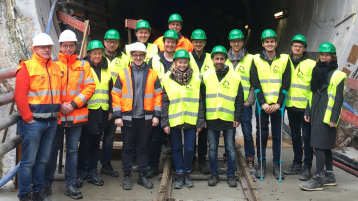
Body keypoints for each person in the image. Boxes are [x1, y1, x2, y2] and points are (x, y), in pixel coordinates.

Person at [44, 30, 95, 199]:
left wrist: (73, 104)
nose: (68, 48)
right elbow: (48, 88)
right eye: (65, 46)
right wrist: (60, 105)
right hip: (57, 116)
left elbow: (90, 87)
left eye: (71, 45)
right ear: (60, 46)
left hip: (76, 115)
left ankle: (70, 185)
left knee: (72, 151)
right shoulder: (52, 64)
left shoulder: (83, 65)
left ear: (75, 46)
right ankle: (46, 184)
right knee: (52, 151)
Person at [15, 33, 62, 201]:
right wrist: (28, 118)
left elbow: (59, 94)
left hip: (51, 121)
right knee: (28, 161)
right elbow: (19, 95)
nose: (47, 49)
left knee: (42, 159)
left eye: (49, 47)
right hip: (33, 122)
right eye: (43, 47)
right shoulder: (26, 67)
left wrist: (57, 116)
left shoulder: (56, 68)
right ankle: (25, 193)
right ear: (34, 49)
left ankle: (39, 190)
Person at [112, 42, 162, 190]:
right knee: (127, 148)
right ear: (131, 56)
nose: (138, 57)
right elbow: (115, 94)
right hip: (128, 118)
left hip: (145, 118)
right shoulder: (123, 73)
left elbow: (158, 95)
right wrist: (117, 115)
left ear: (145, 56)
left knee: (143, 148)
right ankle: (127, 176)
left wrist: (156, 115)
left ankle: (142, 176)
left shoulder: (152, 74)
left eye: (141, 55)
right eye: (135, 55)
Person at [300, 42, 346, 191]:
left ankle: (318, 178)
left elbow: (339, 99)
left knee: (319, 147)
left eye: (327, 55)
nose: (324, 57)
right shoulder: (317, 70)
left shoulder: (338, 75)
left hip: (327, 115)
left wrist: (334, 118)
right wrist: (308, 111)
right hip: (316, 113)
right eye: (322, 55)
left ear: (333, 56)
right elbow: (311, 93)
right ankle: (330, 175)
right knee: (325, 147)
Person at [250, 29, 291, 180]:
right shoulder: (255, 60)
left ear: (276, 42)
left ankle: (277, 166)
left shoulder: (284, 59)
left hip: (277, 106)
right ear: (262, 43)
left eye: (272, 41)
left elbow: (286, 84)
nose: (269, 44)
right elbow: (255, 83)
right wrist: (262, 103)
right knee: (261, 136)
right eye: (266, 41)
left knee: (277, 137)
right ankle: (261, 165)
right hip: (263, 106)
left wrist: (279, 103)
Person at [161, 49, 205, 189]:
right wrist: (165, 122)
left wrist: (200, 121)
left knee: (190, 149)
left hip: (191, 121)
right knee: (176, 148)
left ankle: (187, 173)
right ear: (175, 63)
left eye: (185, 62)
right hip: (174, 121)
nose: (182, 64)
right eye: (179, 62)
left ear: (188, 63)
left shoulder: (196, 79)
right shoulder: (167, 79)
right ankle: (179, 174)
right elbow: (164, 102)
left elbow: (200, 102)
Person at [203, 45, 244, 187]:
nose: (219, 61)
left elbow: (239, 99)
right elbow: (202, 98)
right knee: (213, 148)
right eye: (216, 58)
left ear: (225, 60)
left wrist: (237, 117)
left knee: (230, 148)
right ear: (212, 59)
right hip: (212, 118)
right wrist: (203, 118)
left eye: (221, 58)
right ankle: (214, 175)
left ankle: (230, 175)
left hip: (228, 119)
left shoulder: (235, 77)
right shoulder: (206, 75)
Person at [77, 40, 112, 187]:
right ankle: (80, 172)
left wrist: (110, 109)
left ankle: (92, 172)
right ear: (89, 54)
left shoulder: (106, 68)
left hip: (102, 111)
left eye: (99, 53)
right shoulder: (84, 68)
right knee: (85, 143)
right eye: (94, 53)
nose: (97, 56)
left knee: (96, 142)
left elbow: (110, 91)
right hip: (88, 110)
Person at [283, 35, 315, 181]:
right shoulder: (286, 61)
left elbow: (314, 88)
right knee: (295, 136)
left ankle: (307, 166)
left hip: (305, 108)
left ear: (304, 48)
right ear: (291, 47)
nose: (297, 48)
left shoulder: (310, 64)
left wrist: (309, 108)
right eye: (295, 45)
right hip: (291, 106)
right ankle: (297, 163)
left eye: (300, 46)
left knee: (307, 137)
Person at [146, 29, 178, 178]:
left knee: (175, 134)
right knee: (155, 137)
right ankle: (153, 166)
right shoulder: (154, 59)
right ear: (163, 43)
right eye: (168, 42)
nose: (170, 44)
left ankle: (178, 165)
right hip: (157, 101)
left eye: (173, 42)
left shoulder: (180, 60)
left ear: (176, 44)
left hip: (175, 101)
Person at [101, 29, 130, 177]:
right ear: (104, 42)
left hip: (117, 102)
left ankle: (106, 165)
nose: (111, 44)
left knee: (110, 136)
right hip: (98, 103)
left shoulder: (125, 59)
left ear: (118, 43)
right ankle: (90, 167)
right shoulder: (97, 56)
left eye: (114, 42)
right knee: (94, 136)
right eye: (109, 41)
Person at [227, 29, 256, 174]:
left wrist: (249, 100)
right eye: (233, 41)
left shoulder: (250, 59)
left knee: (247, 132)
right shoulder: (224, 59)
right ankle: (228, 157)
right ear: (230, 43)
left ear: (243, 42)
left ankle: (250, 159)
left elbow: (253, 82)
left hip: (244, 103)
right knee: (229, 132)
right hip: (229, 103)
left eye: (238, 41)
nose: (236, 43)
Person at [188, 29, 212, 174]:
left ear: (205, 42)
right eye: (196, 41)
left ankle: (202, 160)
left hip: (208, 97)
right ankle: (191, 159)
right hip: (191, 97)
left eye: (201, 41)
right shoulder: (186, 57)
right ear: (192, 41)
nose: (198, 43)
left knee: (203, 129)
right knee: (191, 129)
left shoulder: (211, 57)